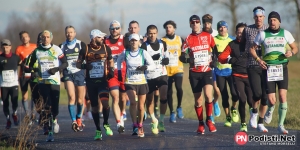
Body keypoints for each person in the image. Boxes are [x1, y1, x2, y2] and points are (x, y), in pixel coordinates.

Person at [250, 11, 298, 134]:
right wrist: (258, 60)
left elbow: (295, 48)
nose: (272, 22)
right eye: (271, 20)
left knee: (282, 96)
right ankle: (271, 109)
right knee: (271, 100)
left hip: (282, 67)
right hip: (269, 69)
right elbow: (251, 49)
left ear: (279, 21)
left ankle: (281, 125)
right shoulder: (262, 34)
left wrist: (291, 53)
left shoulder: (285, 33)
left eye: (275, 20)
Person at [25, 30, 68, 142]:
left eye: (47, 37)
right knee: (47, 106)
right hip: (42, 81)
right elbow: (29, 66)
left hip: (54, 81)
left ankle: (54, 119)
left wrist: (56, 69)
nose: (45, 39)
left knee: (55, 108)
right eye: (43, 37)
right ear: (41, 38)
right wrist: (33, 71)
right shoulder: (37, 51)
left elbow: (65, 63)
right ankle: (50, 131)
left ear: (51, 38)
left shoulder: (56, 49)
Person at [180, 15, 217, 134]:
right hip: (194, 73)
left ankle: (209, 120)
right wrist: (187, 60)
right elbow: (181, 56)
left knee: (208, 95)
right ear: (190, 25)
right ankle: (201, 123)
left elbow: (215, 49)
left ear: (200, 24)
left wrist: (214, 60)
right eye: (193, 22)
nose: (195, 24)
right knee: (198, 100)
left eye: (197, 22)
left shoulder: (208, 36)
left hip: (206, 71)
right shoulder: (188, 39)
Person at [76, 29, 114, 140]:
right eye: (100, 37)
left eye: (103, 37)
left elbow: (111, 61)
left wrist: (111, 70)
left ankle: (106, 123)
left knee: (105, 104)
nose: (103, 39)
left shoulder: (106, 48)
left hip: (103, 81)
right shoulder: (85, 49)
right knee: (95, 108)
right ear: (94, 38)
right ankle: (98, 130)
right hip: (91, 82)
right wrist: (84, 66)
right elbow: (78, 64)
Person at [117, 33, 155, 137]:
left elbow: (152, 65)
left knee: (141, 107)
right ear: (129, 42)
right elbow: (118, 61)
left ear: (139, 42)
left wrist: (145, 67)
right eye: (132, 41)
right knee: (133, 102)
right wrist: (119, 72)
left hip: (142, 81)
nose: (134, 42)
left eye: (136, 41)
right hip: (130, 82)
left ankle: (140, 125)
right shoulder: (126, 52)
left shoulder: (143, 52)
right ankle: (134, 125)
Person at [218, 23, 252, 132]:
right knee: (242, 99)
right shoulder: (232, 44)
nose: (240, 34)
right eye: (238, 32)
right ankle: (243, 123)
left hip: (249, 76)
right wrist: (229, 59)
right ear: (236, 33)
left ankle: (255, 117)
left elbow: (258, 55)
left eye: (243, 32)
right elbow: (221, 57)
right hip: (237, 76)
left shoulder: (250, 44)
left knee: (252, 101)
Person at [241, 6, 269, 132]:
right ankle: (254, 112)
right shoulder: (248, 30)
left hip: (267, 66)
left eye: (260, 17)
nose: (258, 19)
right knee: (257, 94)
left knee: (265, 97)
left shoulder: (269, 29)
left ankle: (261, 122)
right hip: (252, 64)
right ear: (254, 17)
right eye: (256, 17)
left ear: (264, 17)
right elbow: (244, 46)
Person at [141, 25, 169, 133]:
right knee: (150, 100)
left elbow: (166, 56)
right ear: (147, 34)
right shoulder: (144, 46)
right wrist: (152, 59)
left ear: (157, 33)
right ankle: (153, 120)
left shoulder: (163, 43)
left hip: (161, 73)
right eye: (150, 33)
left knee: (164, 95)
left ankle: (161, 120)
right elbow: (142, 61)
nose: (152, 35)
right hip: (149, 75)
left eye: (154, 33)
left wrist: (166, 60)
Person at [60, 26, 86, 132]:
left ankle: (79, 117)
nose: (69, 34)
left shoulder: (81, 44)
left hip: (79, 73)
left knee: (80, 100)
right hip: (68, 74)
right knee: (72, 97)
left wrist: (82, 64)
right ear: (65, 34)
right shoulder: (61, 46)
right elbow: (59, 61)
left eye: (71, 32)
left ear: (75, 33)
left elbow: (86, 58)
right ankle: (74, 120)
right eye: (67, 32)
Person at [214, 20, 239, 127]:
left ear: (227, 29)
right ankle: (228, 117)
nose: (222, 29)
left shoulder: (232, 39)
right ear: (218, 29)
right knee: (224, 96)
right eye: (220, 27)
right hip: (219, 72)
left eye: (224, 27)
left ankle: (233, 108)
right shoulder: (213, 40)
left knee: (235, 93)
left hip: (231, 71)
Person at [105, 20, 127, 133]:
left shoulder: (125, 39)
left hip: (124, 73)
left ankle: (122, 113)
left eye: (117, 28)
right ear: (109, 30)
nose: (115, 30)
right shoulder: (105, 41)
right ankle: (118, 123)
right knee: (115, 97)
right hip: (112, 74)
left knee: (123, 99)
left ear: (120, 29)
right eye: (112, 28)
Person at [161, 20, 184, 123]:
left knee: (179, 87)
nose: (168, 29)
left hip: (178, 68)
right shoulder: (162, 40)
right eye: (166, 27)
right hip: (167, 69)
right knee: (169, 92)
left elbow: (185, 51)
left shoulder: (180, 39)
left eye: (170, 27)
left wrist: (185, 57)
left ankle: (179, 107)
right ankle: (172, 112)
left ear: (174, 28)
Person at [201, 14, 221, 121]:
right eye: (205, 23)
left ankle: (215, 102)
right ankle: (210, 116)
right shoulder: (200, 33)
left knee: (217, 90)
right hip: (204, 67)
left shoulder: (216, 34)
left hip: (214, 65)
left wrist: (216, 59)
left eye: (208, 23)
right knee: (207, 93)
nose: (207, 24)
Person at [0, 39, 21, 129]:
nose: (6, 49)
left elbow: (22, 65)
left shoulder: (16, 57)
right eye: (4, 47)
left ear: (10, 47)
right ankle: (8, 120)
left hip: (14, 84)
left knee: (14, 101)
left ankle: (14, 114)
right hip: (4, 85)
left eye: (7, 47)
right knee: (5, 103)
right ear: (1, 48)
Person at [15, 31, 37, 116]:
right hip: (23, 75)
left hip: (33, 74)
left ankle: (33, 113)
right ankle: (27, 113)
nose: (25, 38)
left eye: (26, 36)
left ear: (29, 37)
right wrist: (22, 63)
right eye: (22, 37)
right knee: (24, 96)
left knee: (34, 95)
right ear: (21, 39)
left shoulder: (34, 46)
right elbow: (17, 61)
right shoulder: (19, 49)